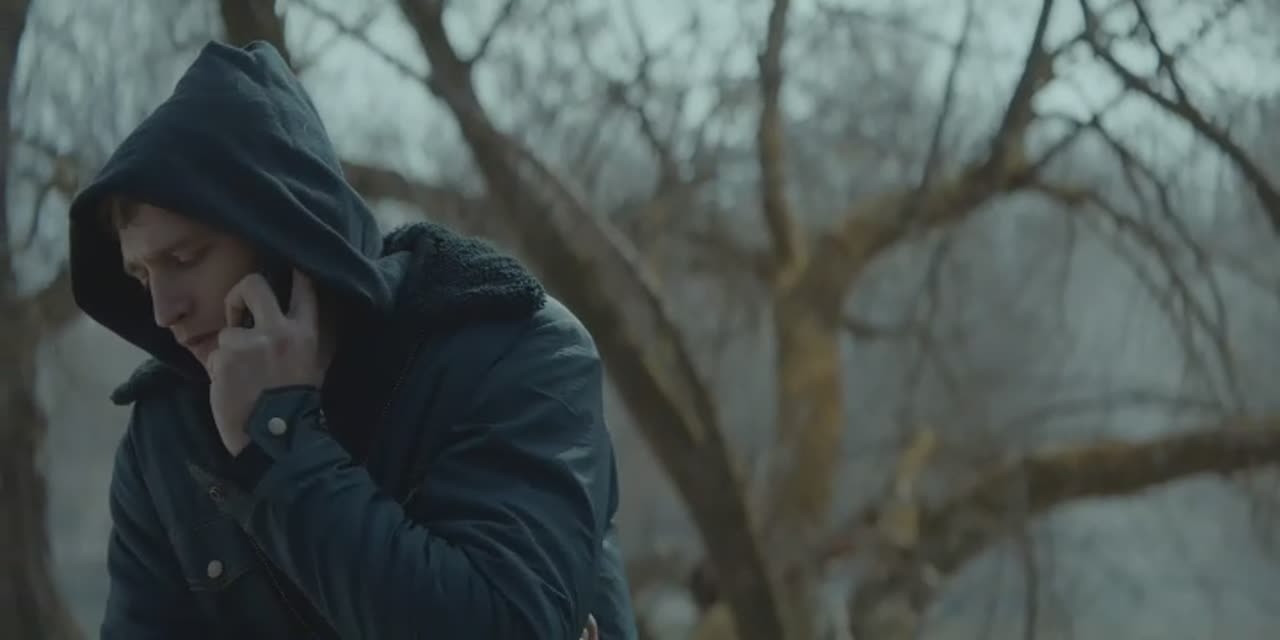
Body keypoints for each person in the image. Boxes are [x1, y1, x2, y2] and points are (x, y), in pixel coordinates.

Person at [67, 39, 634, 639]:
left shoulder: (516, 355)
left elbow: (508, 626)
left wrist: (279, 441)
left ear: (281, 233)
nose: (163, 311)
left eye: (185, 258)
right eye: (142, 276)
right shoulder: (167, 433)